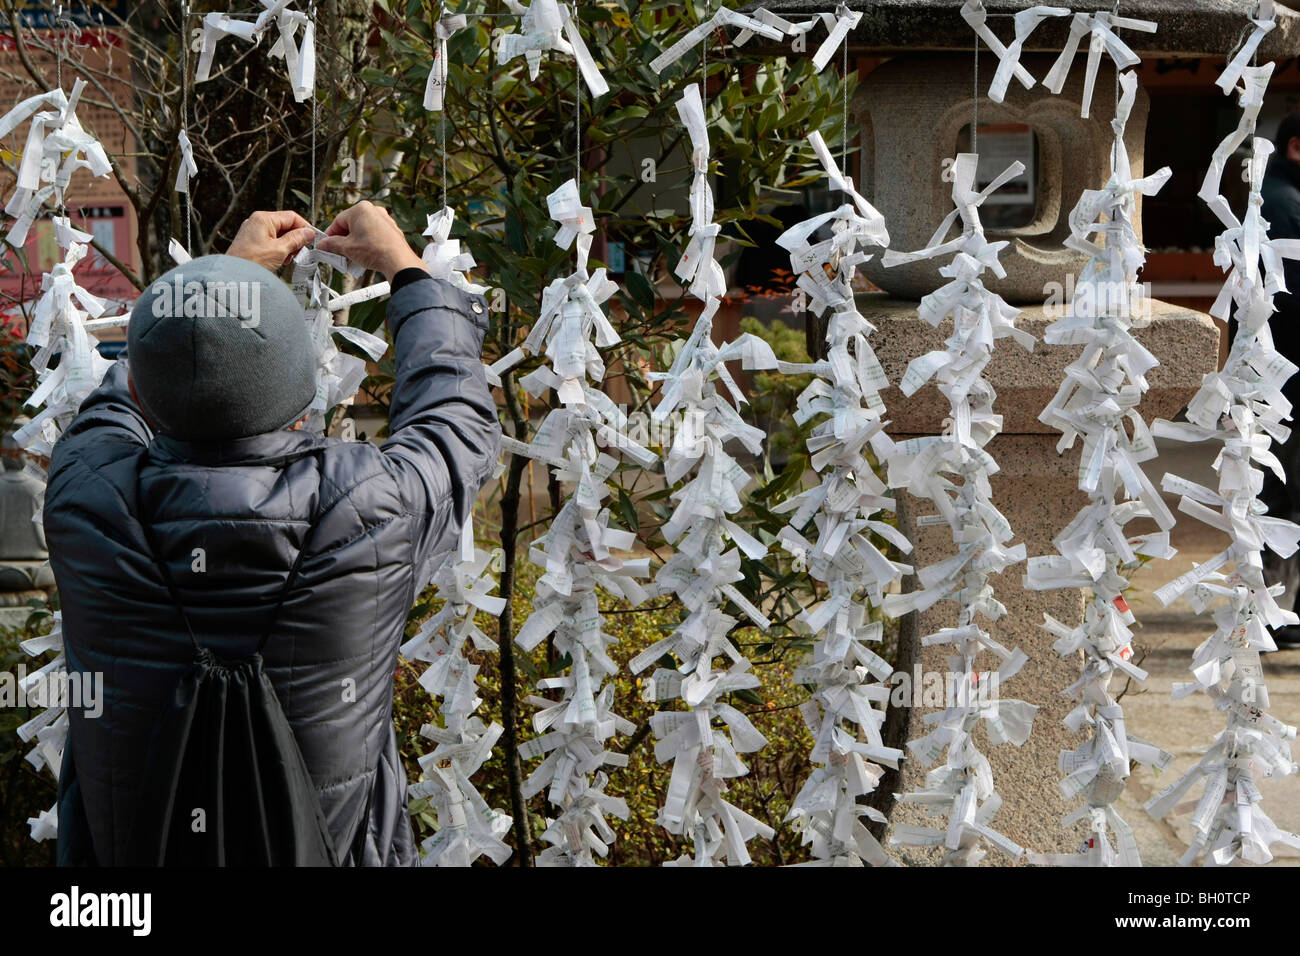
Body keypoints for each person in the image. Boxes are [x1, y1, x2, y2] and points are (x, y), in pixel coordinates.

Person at [43, 202, 501, 865]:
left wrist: (220, 285)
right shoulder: (371, 505)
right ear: (300, 389)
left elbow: (137, 386)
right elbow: (456, 418)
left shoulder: (88, 496)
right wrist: (408, 268)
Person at [1256, 112, 1300, 650]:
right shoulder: (1286, 206)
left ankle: (1270, 611)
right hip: (1287, 373)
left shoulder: (1274, 198)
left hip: (1275, 376)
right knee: (1281, 494)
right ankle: (1275, 614)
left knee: (1272, 492)